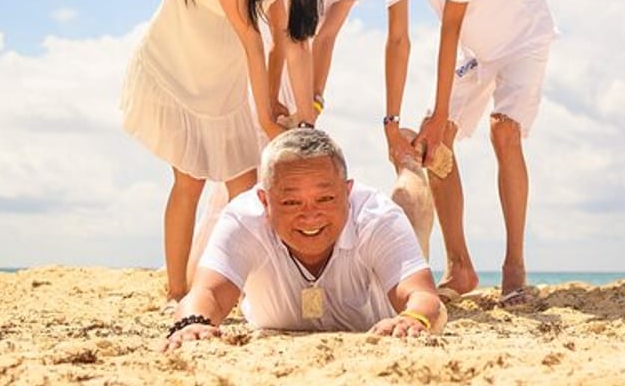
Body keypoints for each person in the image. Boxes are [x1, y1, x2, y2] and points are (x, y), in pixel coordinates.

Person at [121, 0, 323, 304]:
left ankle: (261, 293)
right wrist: (267, 118)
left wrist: (304, 119)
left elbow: (291, 41)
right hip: (175, 72)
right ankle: (177, 293)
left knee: (248, 187)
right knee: (189, 180)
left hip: (221, 83)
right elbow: (251, 35)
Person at [372, 0, 556, 305]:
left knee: (504, 132)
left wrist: (437, 112)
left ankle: (514, 269)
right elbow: (398, 38)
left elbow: (449, 25)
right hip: (479, 48)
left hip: (522, 37)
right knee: (434, 145)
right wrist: (392, 122)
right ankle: (461, 267)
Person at [161, 127, 445, 349]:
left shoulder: (377, 217)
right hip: (245, 221)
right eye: (291, 203)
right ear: (264, 200)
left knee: (411, 214)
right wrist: (192, 324)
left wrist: (412, 318)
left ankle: (408, 165)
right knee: (203, 259)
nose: (310, 216)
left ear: (347, 192)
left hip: (383, 269)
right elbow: (207, 293)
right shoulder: (244, 218)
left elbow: (425, 298)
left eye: (325, 198)